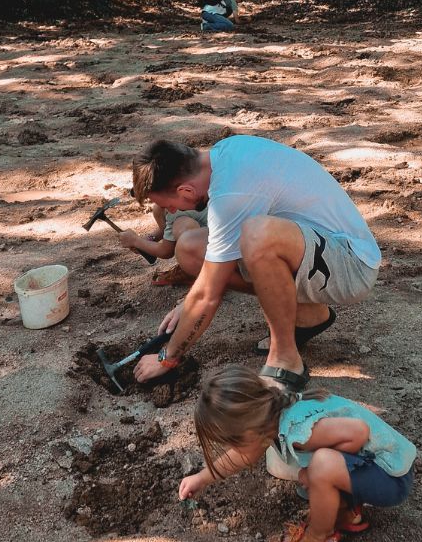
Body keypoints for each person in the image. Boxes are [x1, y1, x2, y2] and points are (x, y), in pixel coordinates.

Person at [130, 136, 382, 390]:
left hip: (351, 265)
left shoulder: (230, 194)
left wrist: (167, 358)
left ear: (186, 190)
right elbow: (211, 273)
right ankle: (308, 314)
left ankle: (286, 360)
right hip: (316, 251)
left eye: (168, 206)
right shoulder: (225, 153)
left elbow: (208, 294)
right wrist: (189, 302)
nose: (172, 212)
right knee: (192, 248)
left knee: (258, 235)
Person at [179, 365, 416, 542]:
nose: (233, 448)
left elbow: (358, 432)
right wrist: (201, 478)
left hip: (392, 477)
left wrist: (323, 473)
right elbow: (242, 456)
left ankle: (316, 539)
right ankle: (347, 512)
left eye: (231, 442)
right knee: (314, 473)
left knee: (320, 467)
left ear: (248, 433)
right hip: (378, 470)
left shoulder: (300, 429)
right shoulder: (271, 414)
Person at [118, 204, 208, 287]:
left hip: (216, 257)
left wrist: (135, 241)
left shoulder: (175, 210)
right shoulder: (172, 202)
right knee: (166, 215)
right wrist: (149, 240)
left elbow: (166, 251)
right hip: (210, 238)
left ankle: (193, 273)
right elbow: (166, 229)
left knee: (182, 227)